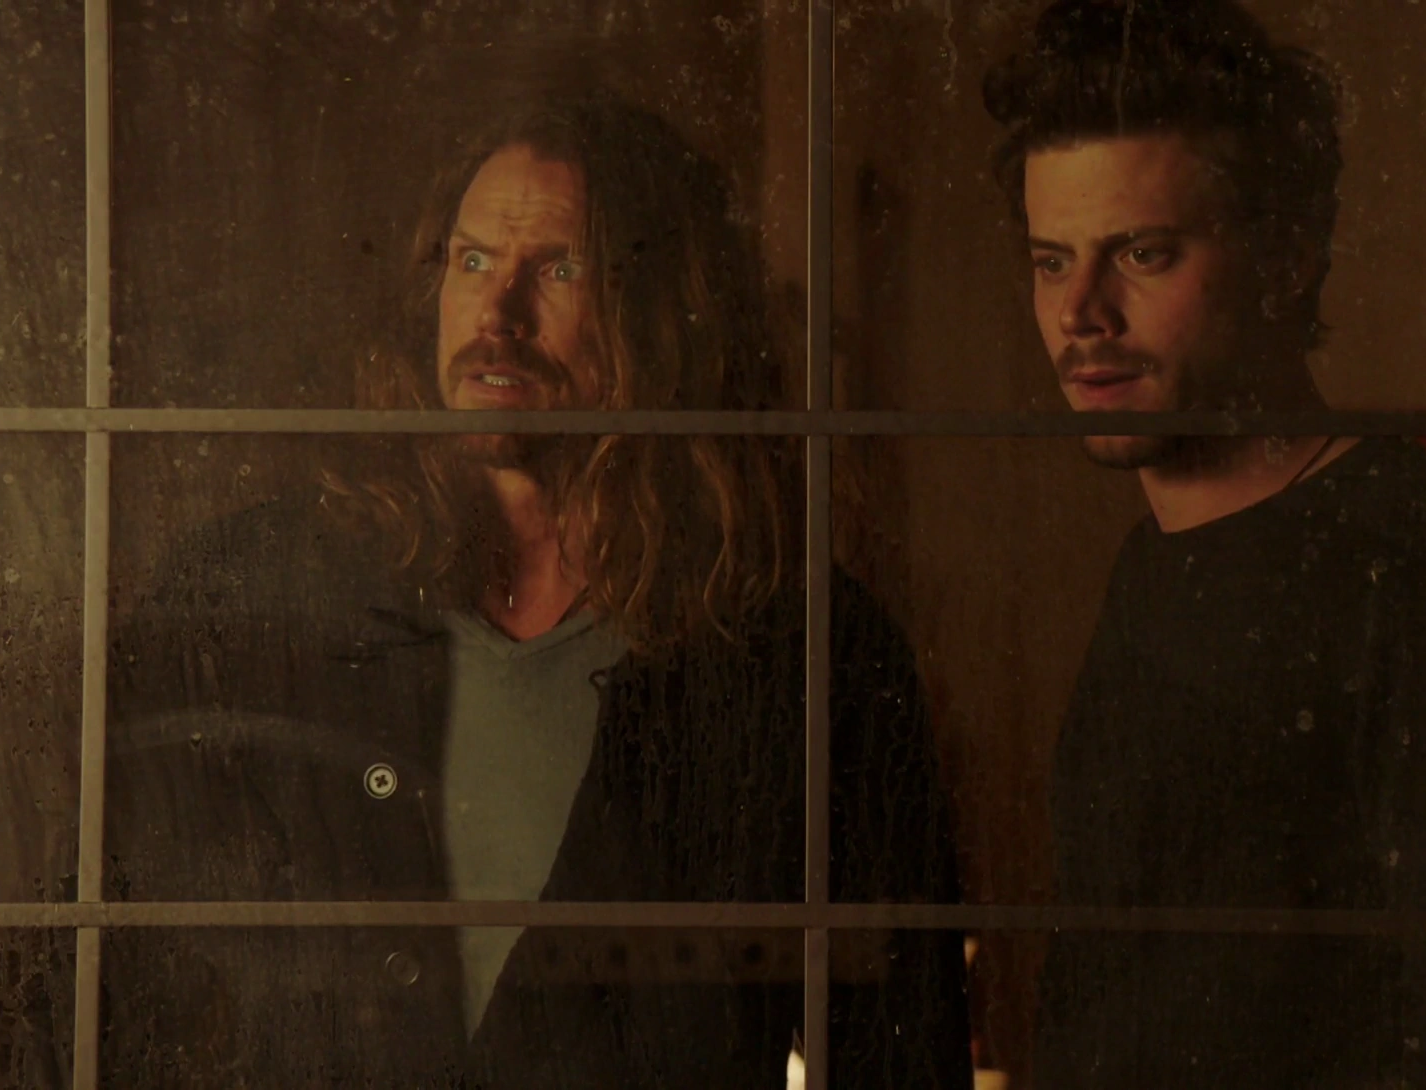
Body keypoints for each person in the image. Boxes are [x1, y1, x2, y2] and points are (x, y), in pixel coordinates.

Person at [88, 89, 970, 1087]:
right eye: (471, 262)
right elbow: (97, 991)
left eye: (558, 269)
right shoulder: (249, 599)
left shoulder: (799, 654)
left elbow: (902, 1050)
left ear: (664, 314)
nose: (495, 316)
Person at [983, 1, 1426, 1085]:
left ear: (1285, 260)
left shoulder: (1422, 569)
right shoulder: (1150, 560)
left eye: (1143, 253)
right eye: (1051, 261)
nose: (1081, 313)